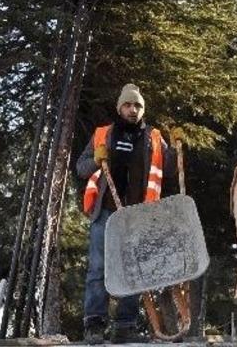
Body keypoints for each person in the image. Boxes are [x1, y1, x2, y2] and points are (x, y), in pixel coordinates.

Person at [76, 83, 184, 344]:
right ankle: (94, 325)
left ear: (142, 109)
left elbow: (169, 171)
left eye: (137, 105)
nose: (132, 109)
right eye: (127, 104)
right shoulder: (104, 134)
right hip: (107, 213)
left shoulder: (154, 138)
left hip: (138, 215)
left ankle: (125, 325)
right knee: (99, 269)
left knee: (134, 270)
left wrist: (178, 147)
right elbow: (81, 168)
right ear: (120, 108)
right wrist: (95, 160)